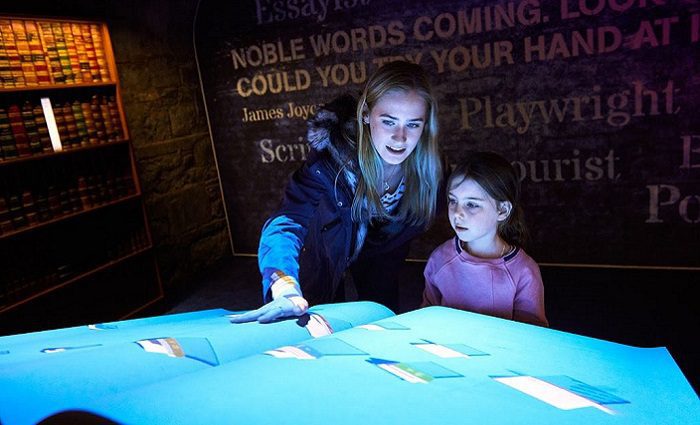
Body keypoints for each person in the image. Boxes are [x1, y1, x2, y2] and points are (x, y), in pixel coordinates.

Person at [231, 61, 443, 323]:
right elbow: (287, 221)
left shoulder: (428, 169)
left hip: (381, 263)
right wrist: (284, 285)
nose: (400, 138)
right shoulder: (330, 162)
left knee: (383, 322)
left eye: (412, 124)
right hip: (325, 252)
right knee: (316, 324)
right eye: (389, 122)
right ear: (366, 113)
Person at [421, 151, 548, 327]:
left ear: (502, 210)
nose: (458, 213)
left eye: (471, 204)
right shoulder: (439, 259)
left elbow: (531, 338)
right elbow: (426, 321)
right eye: (453, 201)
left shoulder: (524, 272)